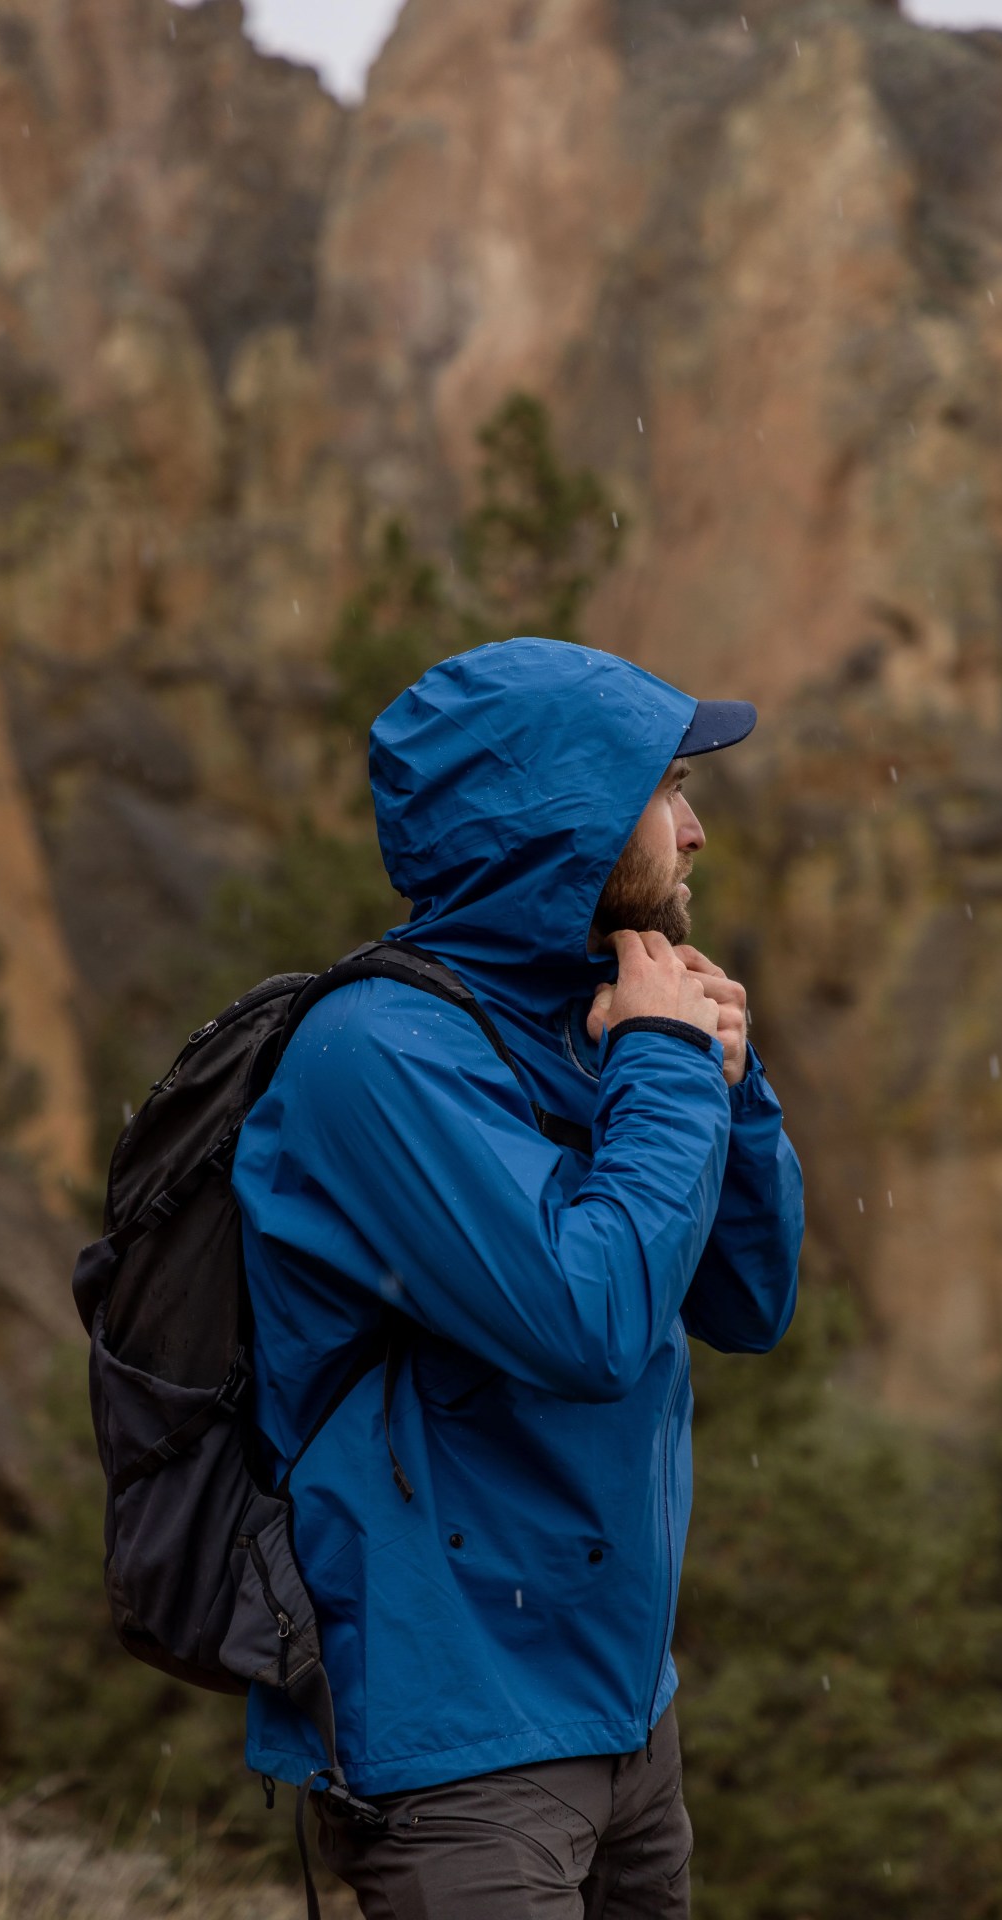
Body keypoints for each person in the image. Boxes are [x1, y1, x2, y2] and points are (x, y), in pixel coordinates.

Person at [232, 636, 803, 1916]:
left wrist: (727, 1079)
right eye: (667, 790)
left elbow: (747, 1301)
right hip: (461, 1737)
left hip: (621, 1712)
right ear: (570, 823)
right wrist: (661, 1068)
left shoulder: (587, 1016)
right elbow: (587, 1322)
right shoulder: (375, 1055)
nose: (697, 829)